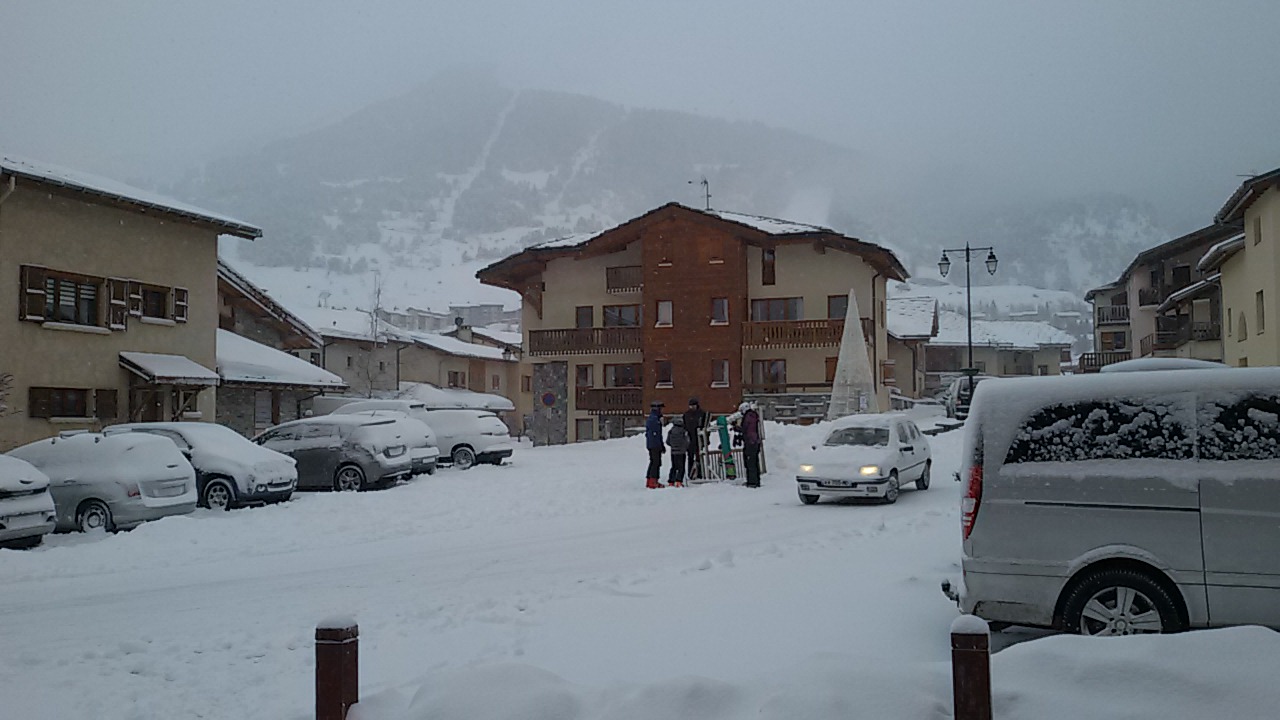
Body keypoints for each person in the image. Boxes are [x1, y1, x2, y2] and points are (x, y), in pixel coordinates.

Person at [682, 397, 707, 480]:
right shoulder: (686, 415)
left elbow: (705, 426)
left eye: (693, 406)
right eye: (690, 406)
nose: (692, 407)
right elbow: (684, 426)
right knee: (690, 457)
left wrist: (705, 439)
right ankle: (691, 473)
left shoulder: (702, 414)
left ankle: (700, 473)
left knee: (699, 457)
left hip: (699, 439)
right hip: (690, 439)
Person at [739, 402, 762, 487]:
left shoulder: (748, 417)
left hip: (750, 443)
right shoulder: (753, 416)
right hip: (755, 442)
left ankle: (752, 481)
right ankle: (756, 480)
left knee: (750, 463)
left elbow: (746, 429)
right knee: (754, 462)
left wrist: (738, 429)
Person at [645, 401, 665, 489]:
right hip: (654, 444)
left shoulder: (653, 418)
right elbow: (656, 434)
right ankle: (653, 481)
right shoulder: (654, 419)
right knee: (656, 462)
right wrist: (660, 445)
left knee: (653, 461)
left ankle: (650, 480)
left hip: (652, 444)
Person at [666, 415, 689, 487]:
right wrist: (685, 447)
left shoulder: (671, 431)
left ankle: (671, 481)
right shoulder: (684, 431)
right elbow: (687, 441)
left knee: (674, 466)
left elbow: (668, 441)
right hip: (681, 452)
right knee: (681, 467)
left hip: (673, 452)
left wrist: (673, 446)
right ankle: (679, 481)